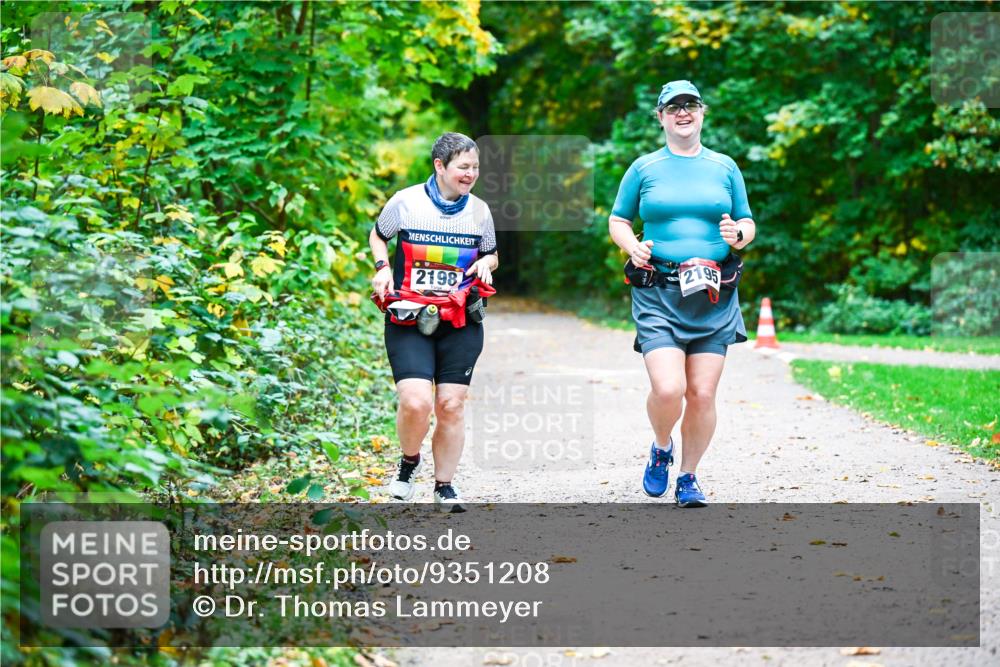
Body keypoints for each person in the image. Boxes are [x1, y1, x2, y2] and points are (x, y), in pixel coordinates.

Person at [608, 80, 756, 507]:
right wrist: (630, 244)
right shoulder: (644, 168)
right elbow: (618, 220)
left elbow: (747, 221)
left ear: (702, 112)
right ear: (661, 117)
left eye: (690, 105)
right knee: (669, 389)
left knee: (703, 393)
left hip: (714, 293)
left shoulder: (725, 167)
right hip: (659, 292)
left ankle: (688, 477)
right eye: (673, 107)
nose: (683, 113)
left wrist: (739, 235)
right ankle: (660, 447)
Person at [369, 132, 498, 513]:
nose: (470, 174)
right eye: (463, 166)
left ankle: (444, 486)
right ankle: (410, 462)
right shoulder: (405, 202)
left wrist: (483, 264)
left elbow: (492, 255)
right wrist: (381, 269)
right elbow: (379, 237)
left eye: (475, 167)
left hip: (460, 317)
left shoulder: (480, 211)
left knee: (451, 404)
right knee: (415, 402)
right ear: (440, 166)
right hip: (410, 315)